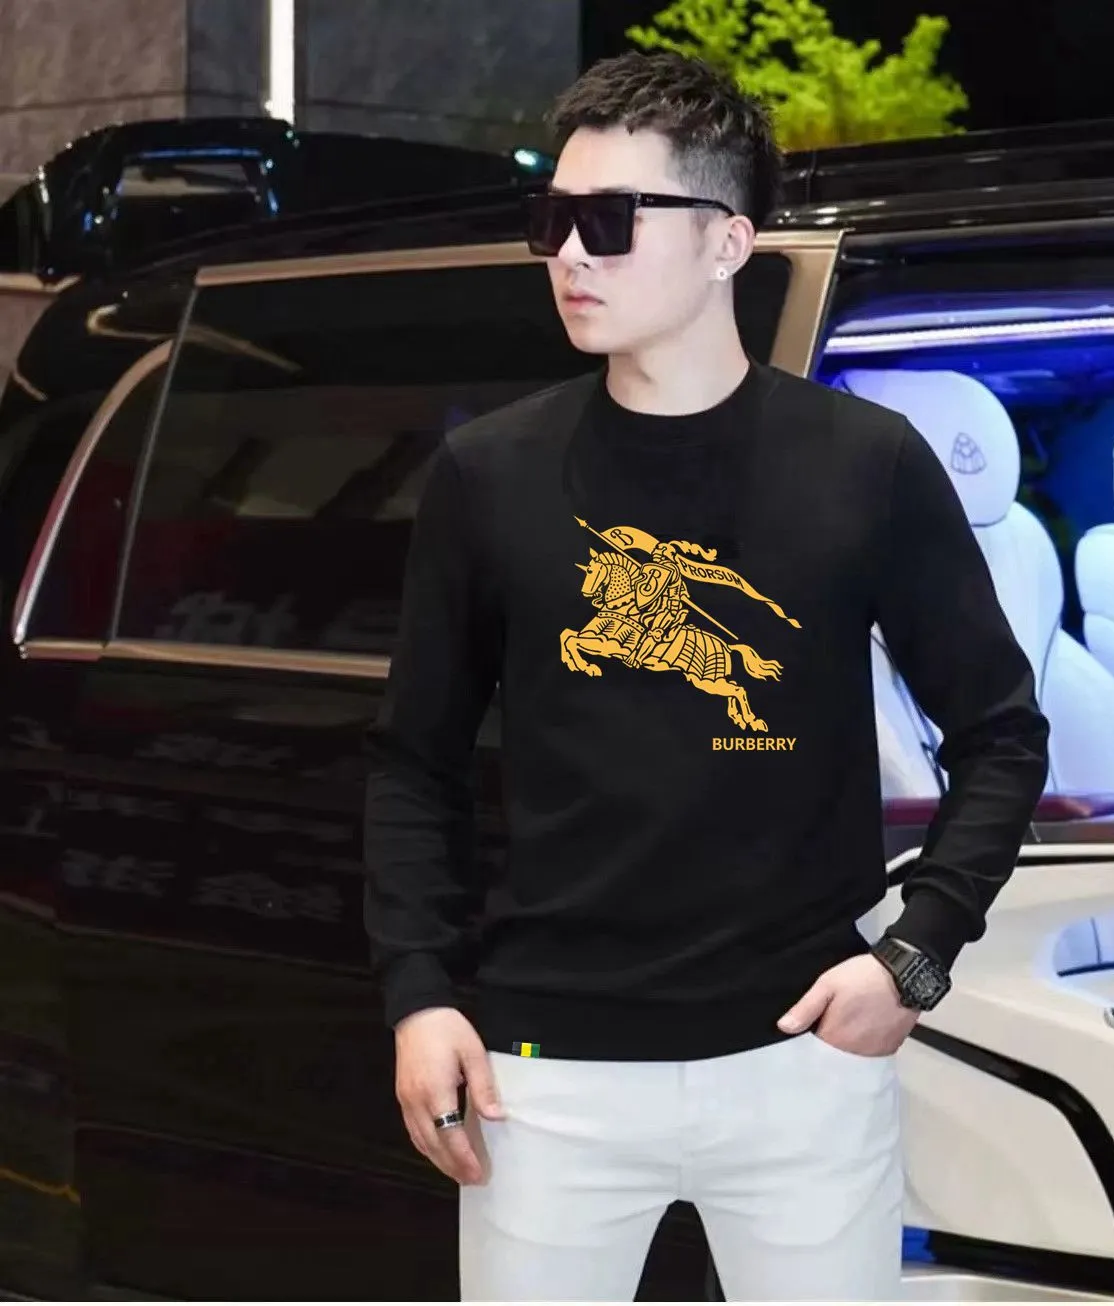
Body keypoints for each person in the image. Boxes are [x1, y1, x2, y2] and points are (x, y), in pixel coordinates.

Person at [363, 49, 1051, 1303]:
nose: (569, 255)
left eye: (610, 221)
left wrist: (914, 956)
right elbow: (415, 760)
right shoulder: (491, 475)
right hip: (545, 1076)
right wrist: (418, 994)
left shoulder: (866, 464)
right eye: (552, 220)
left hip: (802, 1062)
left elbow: (999, 734)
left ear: (729, 241)